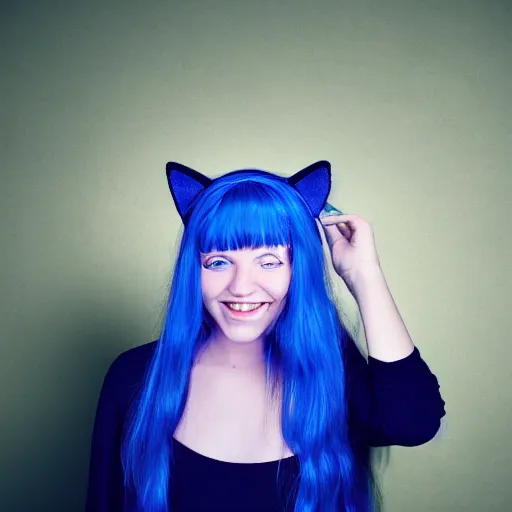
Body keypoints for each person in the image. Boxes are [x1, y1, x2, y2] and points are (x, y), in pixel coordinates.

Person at [85, 160, 446, 512]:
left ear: (298, 268)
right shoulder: (132, 377)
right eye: (219, 262)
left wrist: (364, 276)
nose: (242, 287)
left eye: (270, 261)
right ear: (193, 269)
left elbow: (414, 423)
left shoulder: (334, 374)